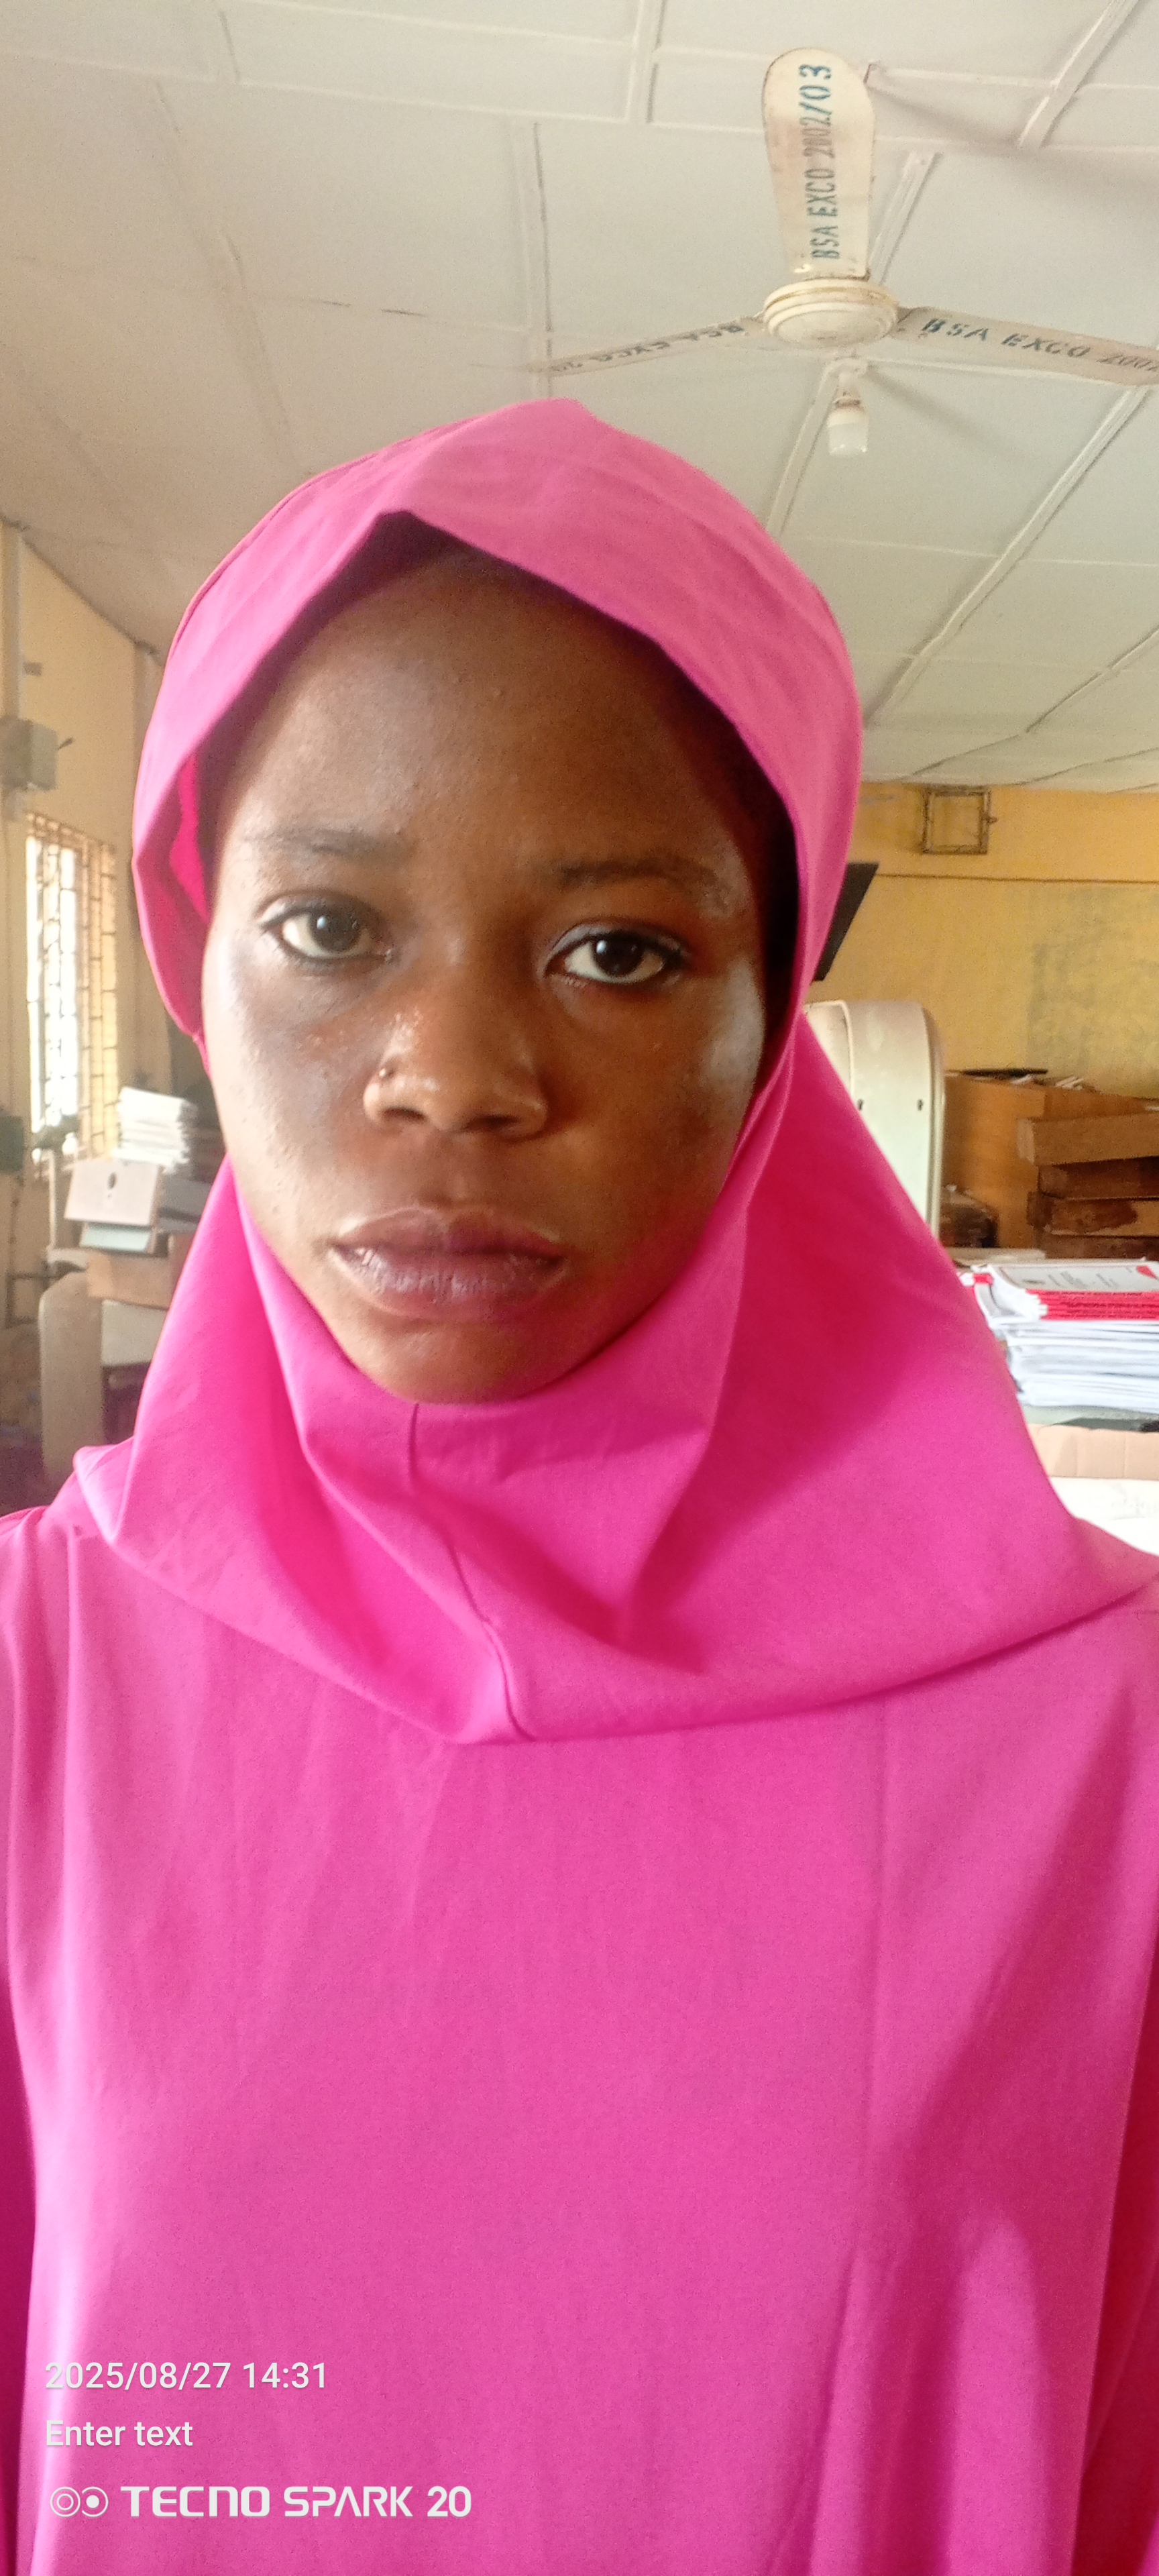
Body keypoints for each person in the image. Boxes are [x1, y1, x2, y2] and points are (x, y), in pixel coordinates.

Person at [2, 400, 1158, 2575]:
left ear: (774, 1011)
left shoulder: (1106, 1750)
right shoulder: (36, 1687)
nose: (454, 1076)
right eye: (329, 928)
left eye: (617, 951)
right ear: (190, 953)